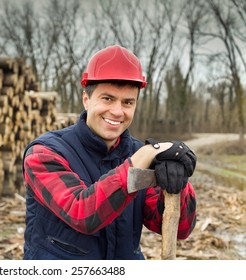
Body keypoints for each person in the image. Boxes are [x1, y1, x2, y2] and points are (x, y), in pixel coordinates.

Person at [22, 45, 197, 260]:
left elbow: (177, 228)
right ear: (86, 99)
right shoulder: (45, 153)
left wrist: (178, 183)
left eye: (127, 102)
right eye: (107, 99)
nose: (117, 111)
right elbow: (82, 213)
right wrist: (142, 159)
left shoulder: (139, 153)